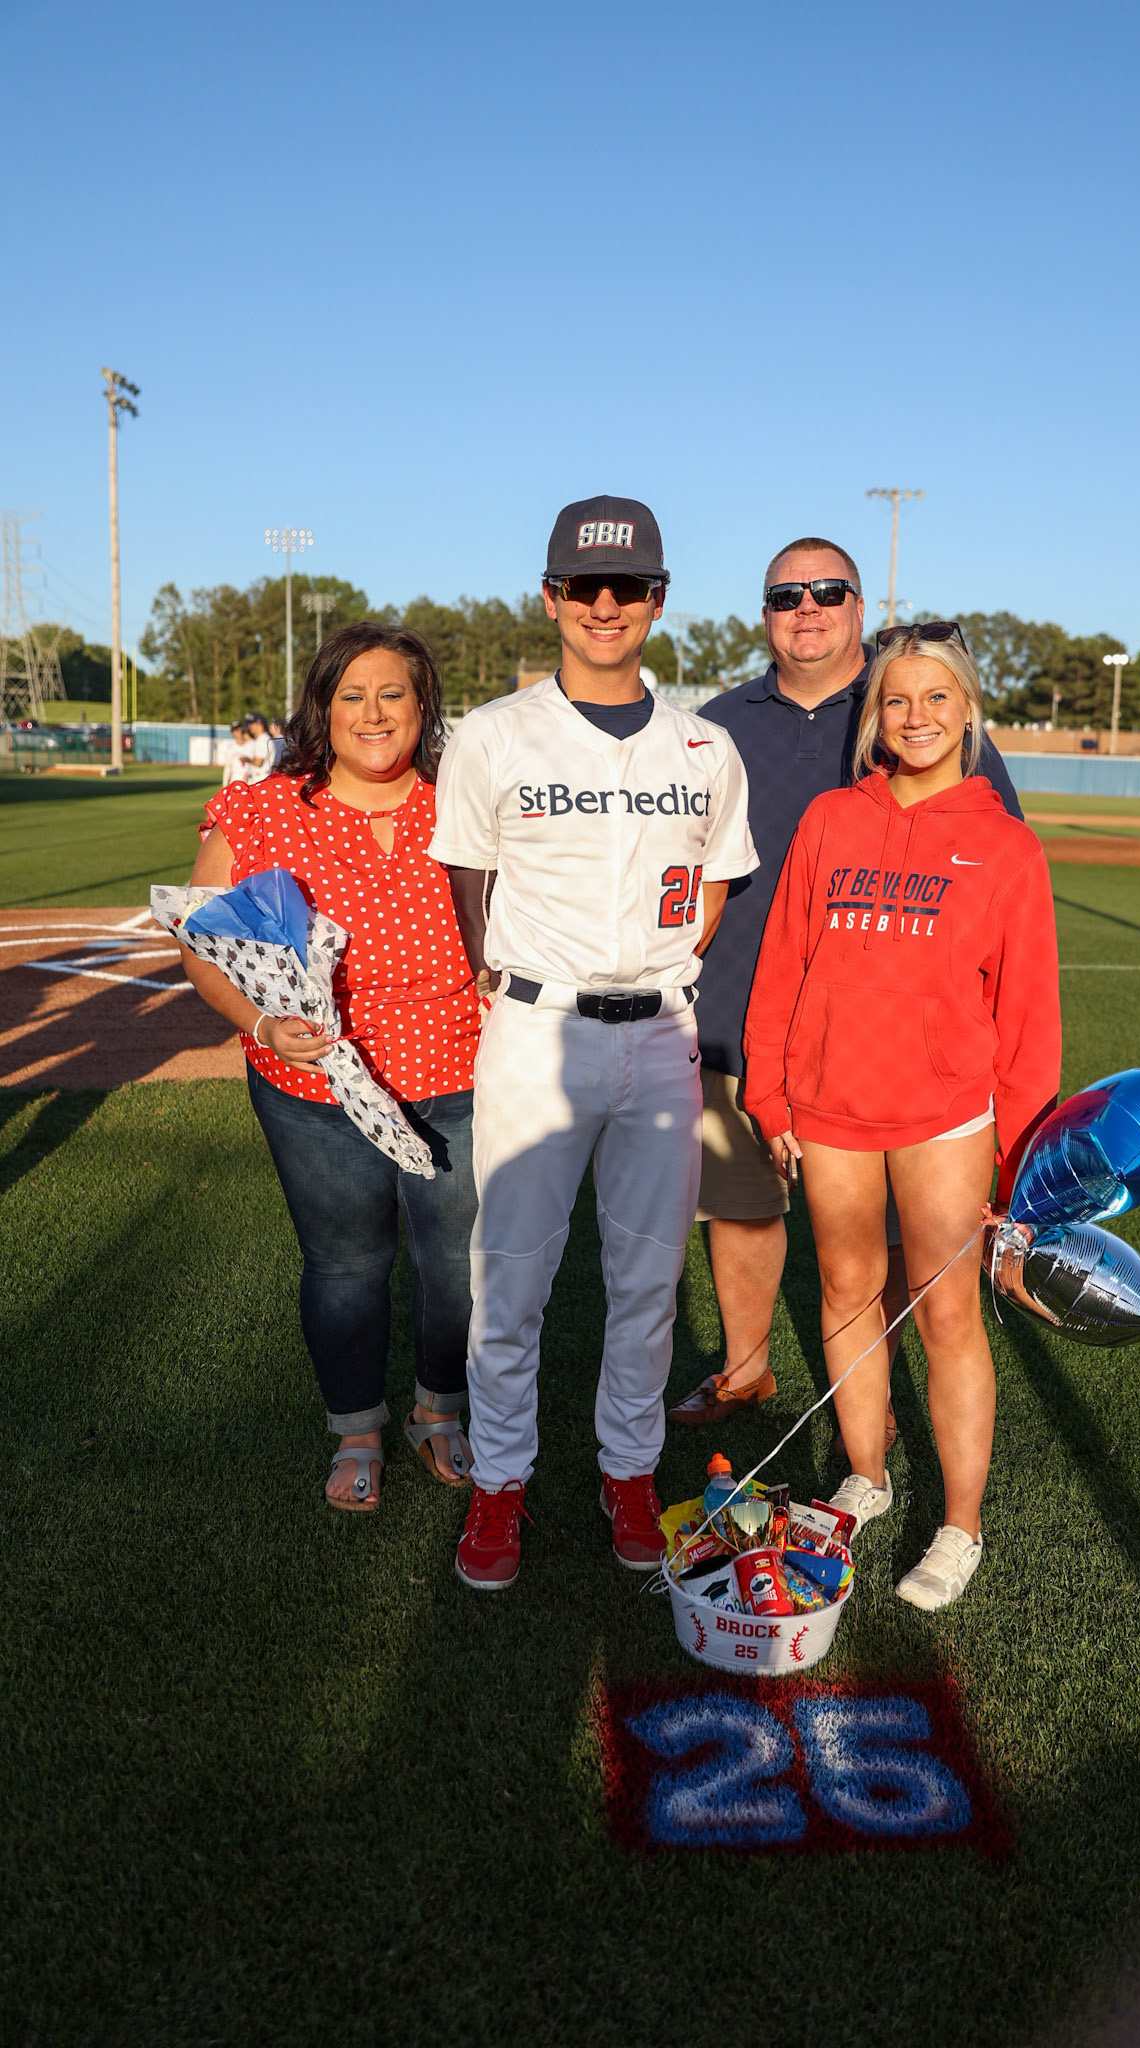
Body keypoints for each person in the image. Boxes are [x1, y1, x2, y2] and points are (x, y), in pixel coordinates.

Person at [431, 495, 757, 1590]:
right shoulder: (491, 733)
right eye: (584, 585)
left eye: (627, 587)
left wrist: (653, 974)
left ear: (659, 601)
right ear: (551, 595)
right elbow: (467, 875)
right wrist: (518, 978)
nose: (604, 604)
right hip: (537, 1027)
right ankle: (502, 1484)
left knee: (646, 1281)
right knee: (511, 1277)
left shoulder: (707, 744)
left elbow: (715, 885)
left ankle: (628, 1470)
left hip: (660, 1029)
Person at [669, 538, 1024, 1434]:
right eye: (786, 595)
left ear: (858, 607)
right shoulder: (714, 724)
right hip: (736, 1010)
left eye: (828, 591)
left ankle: (880, 1385)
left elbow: (996, 868)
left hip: (890, 1046)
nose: (807, 608)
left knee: (900, 1238)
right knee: (742, 1209)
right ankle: (745, 1371)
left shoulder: (905, 706)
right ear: (764, 614)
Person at [742, 620, 1060, 1610]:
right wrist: (768, 1087)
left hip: (945, 1117)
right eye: (896, 699)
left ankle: (960, 1521)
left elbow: (1028, 1014)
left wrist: (1025, 1158)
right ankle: (867, 1472)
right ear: (873, 714)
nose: (915, 716)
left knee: (948, 1310)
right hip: (830, 1105)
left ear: (968, 711)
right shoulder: (832, 820)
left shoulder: (1004, 844)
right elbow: (782, 963)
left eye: (937, 698)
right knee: (845, 1288)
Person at [176, 623, 481, 1513]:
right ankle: (356, 1429)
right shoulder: (264, 808)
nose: (373, 712)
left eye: (393, 693)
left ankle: (440, 1411)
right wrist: (262, 1024)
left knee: (456, 1265)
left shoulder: (467, 799)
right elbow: (203, 937)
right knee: (346, 1264)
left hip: (457, 1071)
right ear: (323, 708)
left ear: (423, 706)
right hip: (317, 1087)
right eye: (352, 695)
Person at [220, 720, 249, 786]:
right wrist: (225, 784)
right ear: (232, 733)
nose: (238, 732)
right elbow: (228, 767)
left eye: (239, 729)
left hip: (249, 779)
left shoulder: (249, 745)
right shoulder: (231, 748)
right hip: (236, 779)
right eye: (236, 730)